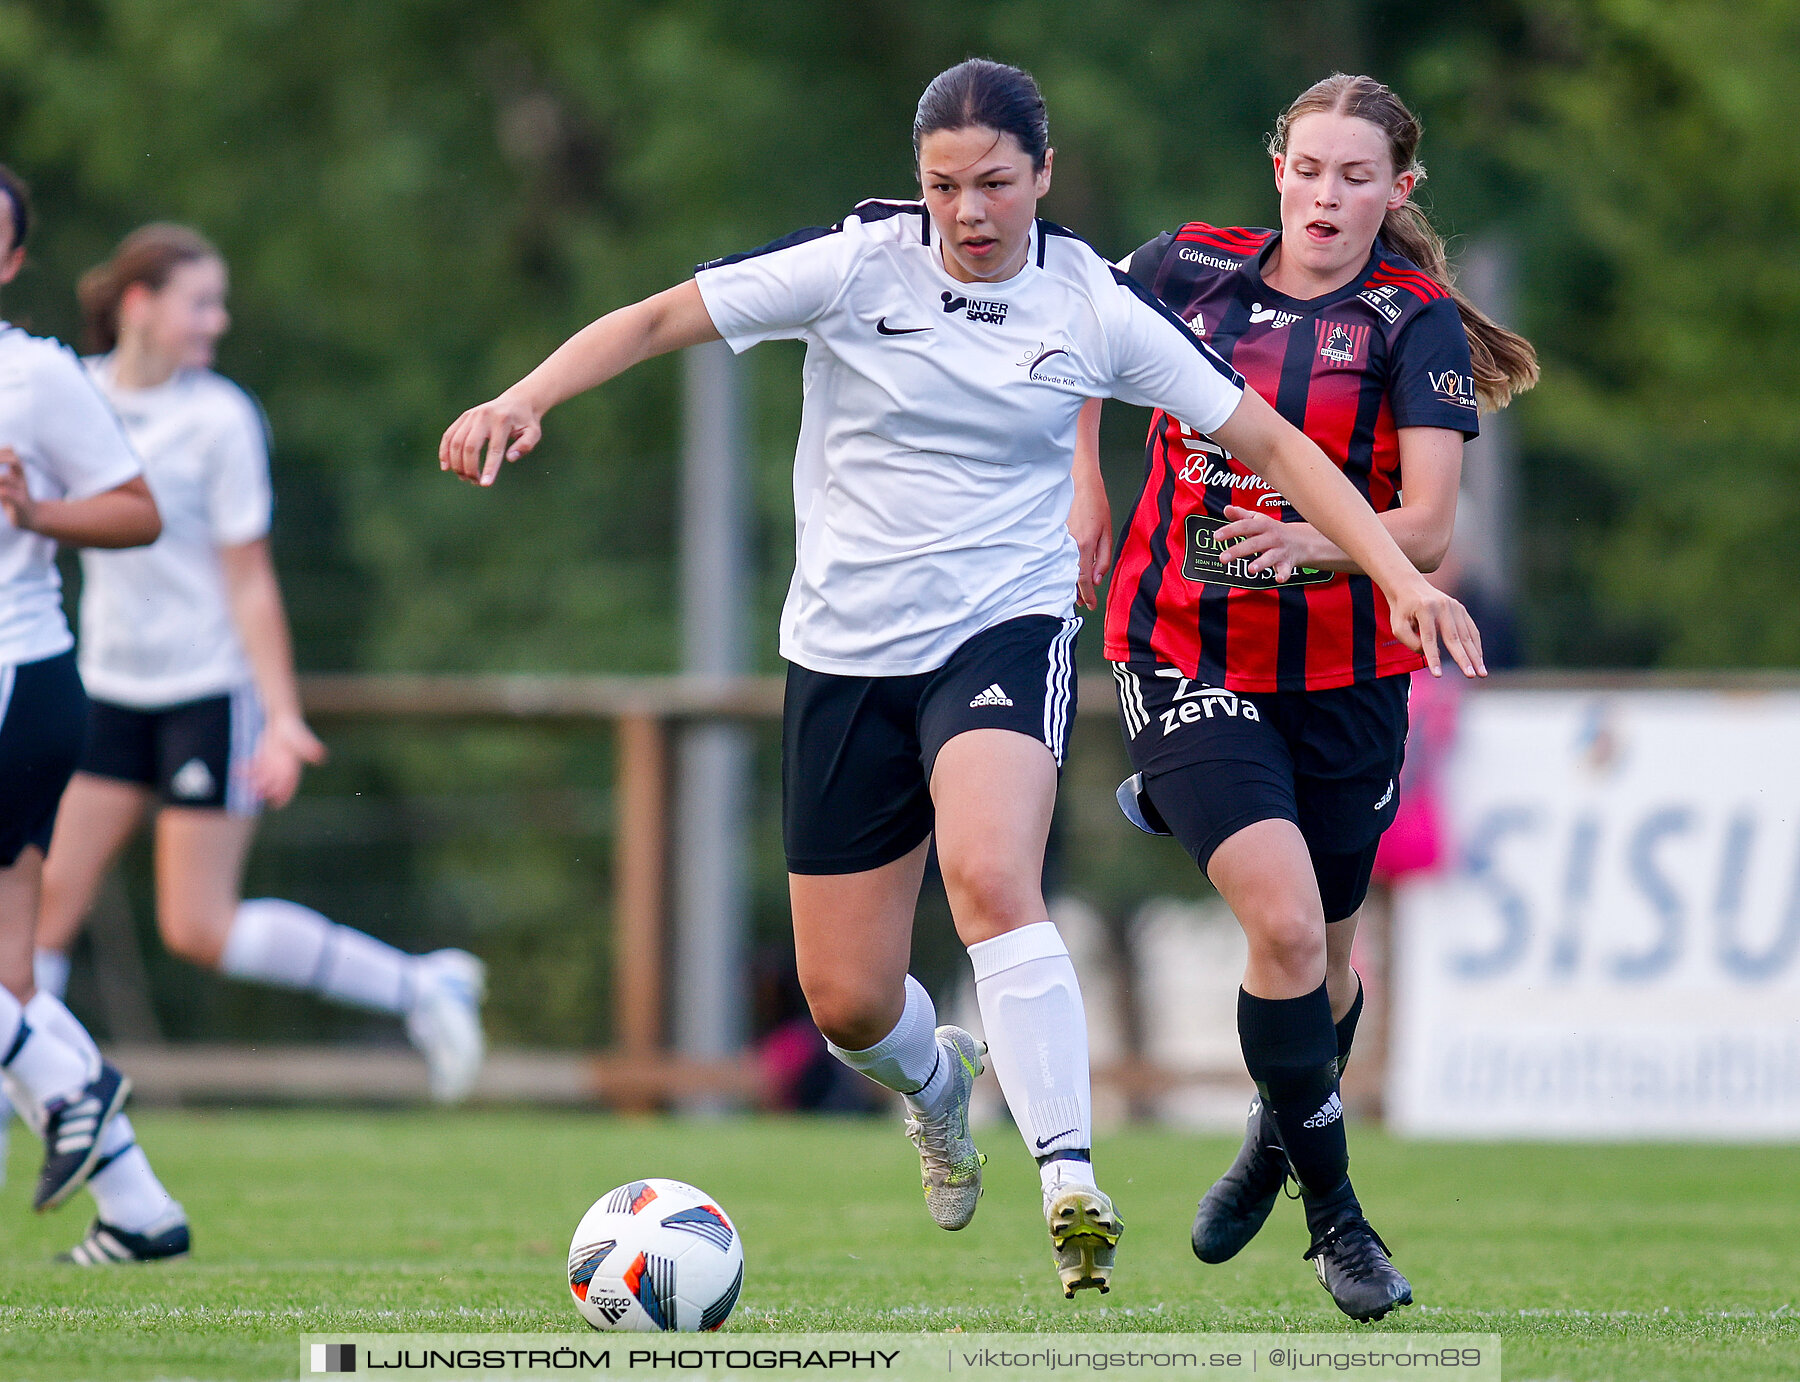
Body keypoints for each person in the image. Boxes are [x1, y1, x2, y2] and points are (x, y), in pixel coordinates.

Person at [440, 58, 1479, 1298]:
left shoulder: (1089, 299)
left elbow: (1268, 441)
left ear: (1042, 176)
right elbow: (660, 316)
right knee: (847, 1000)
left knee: (994, 874)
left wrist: (1398, 575)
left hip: (1004, 624)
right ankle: (938, 1085)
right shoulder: (854, 264)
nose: (970, 212)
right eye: (943, 187)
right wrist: (526, 393)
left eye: (996, 184)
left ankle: (1069, 1178)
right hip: (842, 648)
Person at [1089, 72, 1536, 1320]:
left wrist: (1318, 547)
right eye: (1309, 169)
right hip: (1184, 647)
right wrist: (1084, 482)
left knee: (1327, 962)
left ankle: (1273, 1140)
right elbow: (1073, 336)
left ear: (1399, 189)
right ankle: (1339, 1223)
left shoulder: (1414, 321)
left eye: (1357, 176)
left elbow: (1432, 528)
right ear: (1275, 167)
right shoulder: (1182, 267)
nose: (1328, 195)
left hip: (1345, 678)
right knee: (1283, 926)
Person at [26, 224, 487, 1117]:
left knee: (196, 928)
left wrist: (280, 715)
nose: (218, 320)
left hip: (209, 691)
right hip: (107, 686)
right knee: (45, 908)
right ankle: (35, 1098)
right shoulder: (72, 395)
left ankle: (420, 988)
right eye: (201, 302)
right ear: (139, 305)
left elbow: (251, 581)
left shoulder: (222, 417)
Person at [0, 164, 191, 1263]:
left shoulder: (34, 375)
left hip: (20, 679)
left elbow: (137, 510)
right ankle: (140, 1207)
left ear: (16, 261)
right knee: (14, 985)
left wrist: (39, 509)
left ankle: (78, 1083)